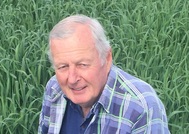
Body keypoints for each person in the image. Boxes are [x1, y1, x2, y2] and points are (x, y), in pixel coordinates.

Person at [38, 14, 170, 134]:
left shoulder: (141, 107)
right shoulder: (54, 88)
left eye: (82, 65)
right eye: (63, 66)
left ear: (106, 59)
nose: (72, 79)